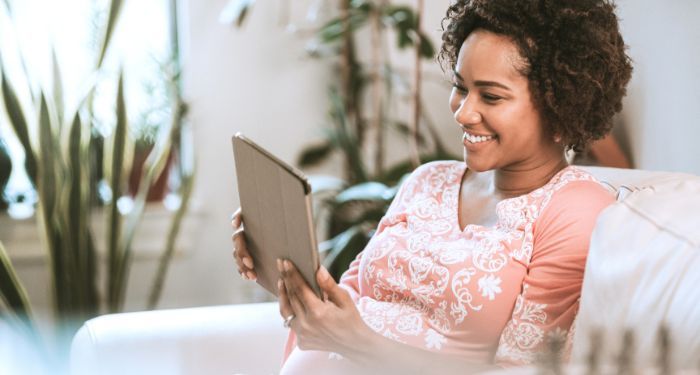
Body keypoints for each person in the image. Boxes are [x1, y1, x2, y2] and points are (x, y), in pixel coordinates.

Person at [232, 0, 632, 372]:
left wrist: (360, 342)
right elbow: (347, 301)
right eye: (461, 87)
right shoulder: (428, 180)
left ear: (561, 106)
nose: (463, 111)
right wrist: (281, 267)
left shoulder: (575, 209)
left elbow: (521, 369)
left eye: (490, 96)